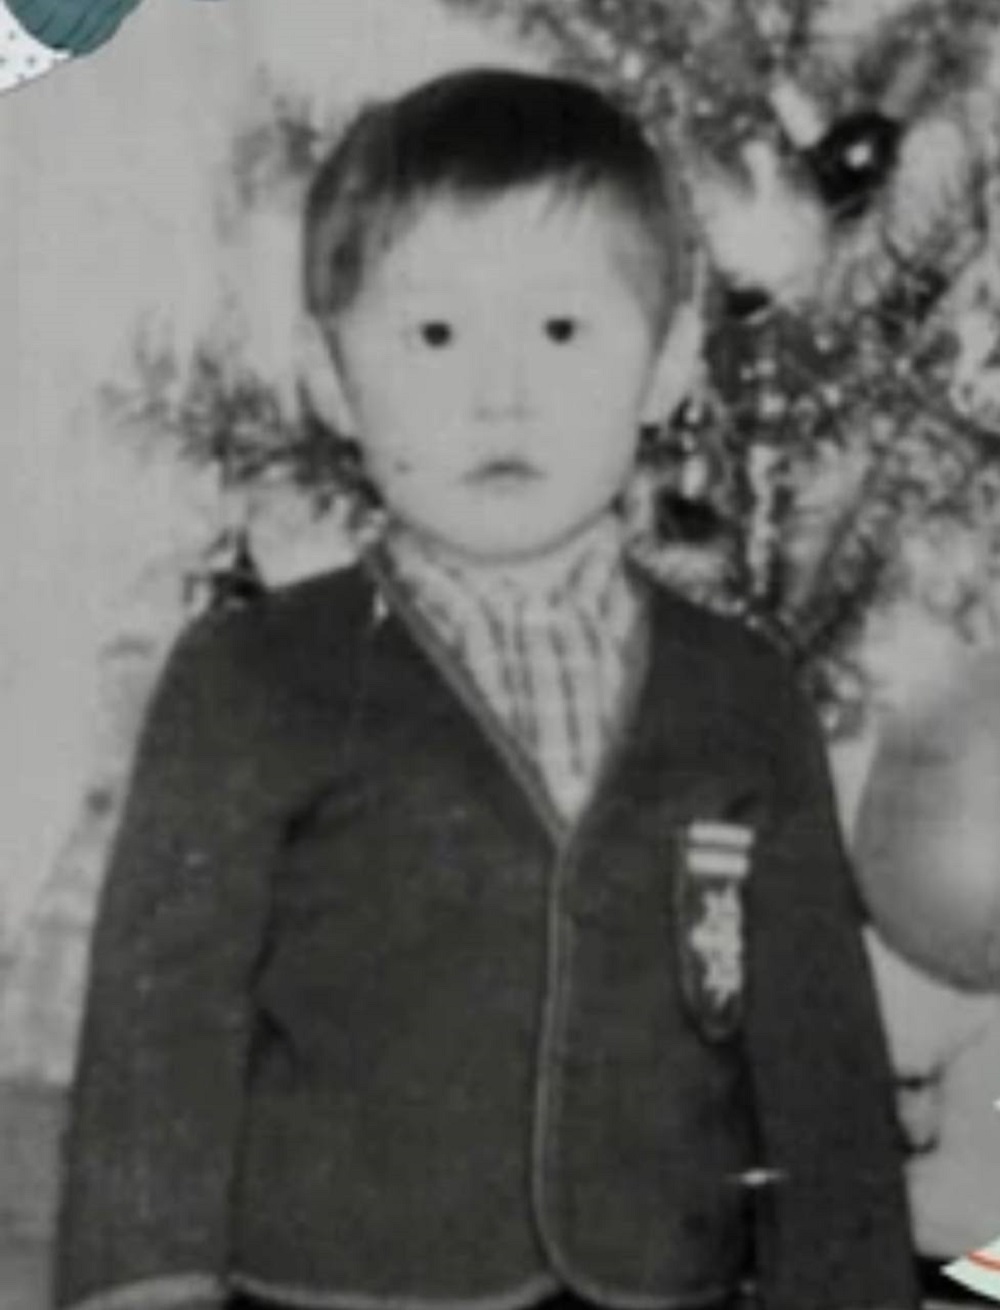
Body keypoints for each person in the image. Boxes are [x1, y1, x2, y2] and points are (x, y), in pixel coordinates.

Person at [54, 67, 918, 1310]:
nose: (499, 394)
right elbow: (157, 1044)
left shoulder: (741, 691)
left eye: (562, 331)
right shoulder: (250, 677)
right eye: (434, 336)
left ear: (670, 362)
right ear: (330, 378)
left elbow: (817, 1059)